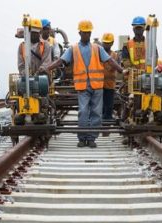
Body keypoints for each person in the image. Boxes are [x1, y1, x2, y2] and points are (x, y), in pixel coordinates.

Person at [42, 20, 124, 148]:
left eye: (88, 32)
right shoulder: (73, 49)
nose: (86, 35)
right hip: (82, 87)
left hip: (97, 86)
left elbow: (110, 61)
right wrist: (48, 68)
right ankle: (82, 137)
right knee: (84, 112)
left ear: (90, 33)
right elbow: (61, 61)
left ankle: (92, 138)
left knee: (96, 113)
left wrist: (122, 70)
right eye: (84, 33)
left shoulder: (98, 48)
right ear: (80, 33)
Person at [101, 33, 119, 120]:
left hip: (110, 83)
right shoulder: (98, 54)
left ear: (112, 43)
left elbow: (116, 66)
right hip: (99, 83)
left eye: (108, 43)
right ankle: (100, 118)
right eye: (105, 42)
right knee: (100, 103)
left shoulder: (115, 55)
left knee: (109, 103)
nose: (106, 44)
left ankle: (108, 118)